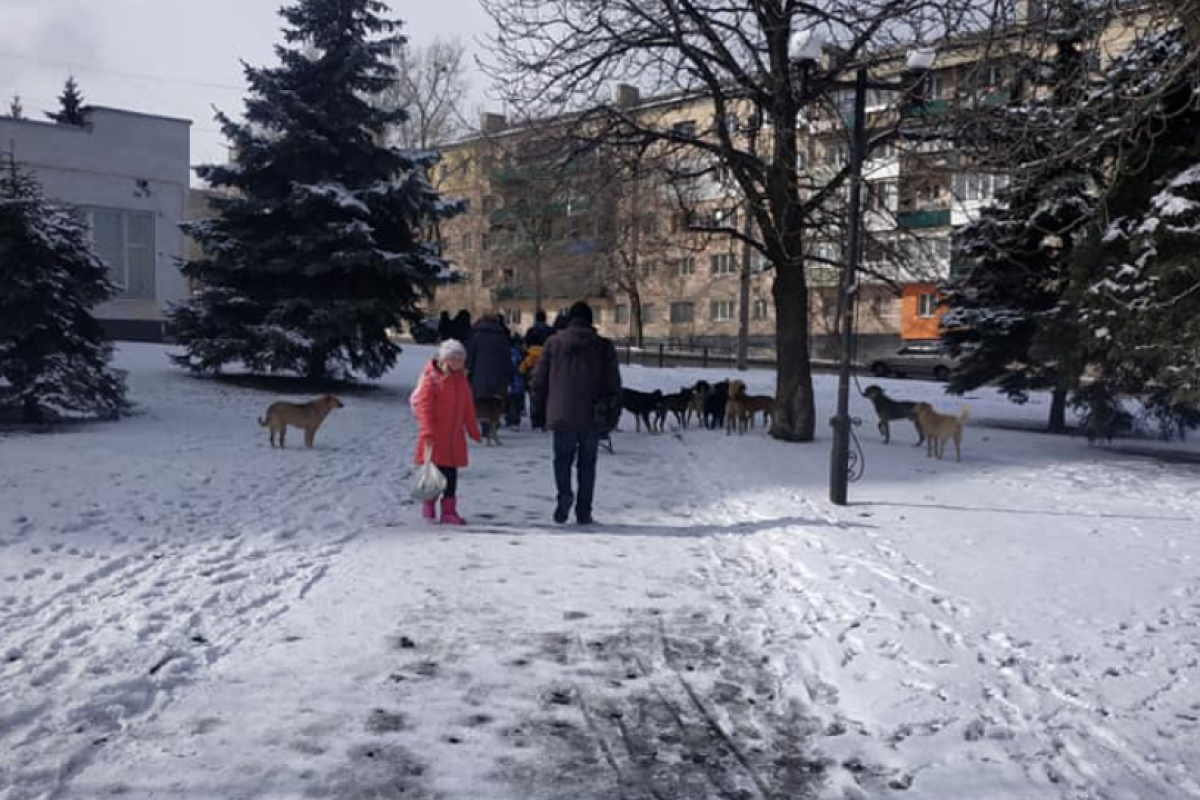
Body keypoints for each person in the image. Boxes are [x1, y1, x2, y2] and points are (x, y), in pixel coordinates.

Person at [531, 301, 622, 525]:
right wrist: (613, 416)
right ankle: (584, 511)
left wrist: (538, 413)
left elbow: (538, 381)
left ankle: (564, 494)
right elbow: (614, 384)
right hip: (593, 414)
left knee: (562, 459)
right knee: (587, 464)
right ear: (591, 320)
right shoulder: (603, 346)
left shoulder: (553, 343)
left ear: (570, 319)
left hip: (561, 413)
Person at [410, 339, 482, 525]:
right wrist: (427, 431)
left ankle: (449, 511)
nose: (457, 362)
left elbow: (468, 408)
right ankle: (429, 503)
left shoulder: (462, 381)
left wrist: (473, 429)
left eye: (460, 359)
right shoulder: (432, 379)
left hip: (454, 438)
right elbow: (424, 407)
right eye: (453, 358)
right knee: (434, 474)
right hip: (434, 437)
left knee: (451, 475)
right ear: (444, 359)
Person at [467, 312, 514, 437]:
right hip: (499, 374)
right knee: (495, 401)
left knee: (482, 401)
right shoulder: (502, 336)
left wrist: (468, 371)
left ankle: (485, 425)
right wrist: (510, 374)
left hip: (479, 373)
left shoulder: (475, 335)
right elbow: (507, 357)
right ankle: (494, 423)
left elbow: (471, 356)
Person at [506, 332, 526, 429]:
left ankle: (509, 419)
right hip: (517, 381)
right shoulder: (519, 354)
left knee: (510, 401)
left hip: (509, 381)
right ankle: (514, 421)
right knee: (515, 402)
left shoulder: (507, 352)